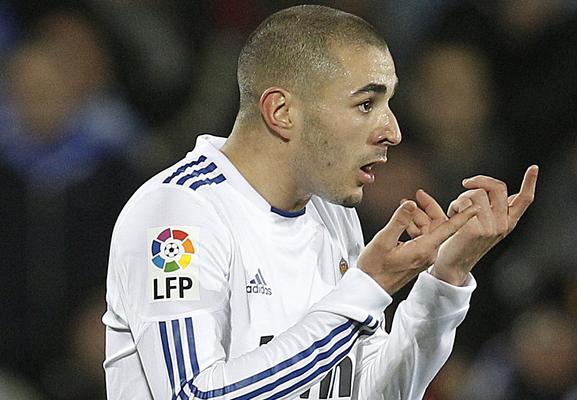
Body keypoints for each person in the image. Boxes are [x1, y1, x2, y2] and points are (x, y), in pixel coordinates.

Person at [103, 5, 538, 399]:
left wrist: (445, 281)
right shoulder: (178, 217)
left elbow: (370, 392)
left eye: (388, 103)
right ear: (282, 112)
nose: (392, 131)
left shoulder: (332, 215)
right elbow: (194, 394)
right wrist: (369, 287)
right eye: (366, 104)